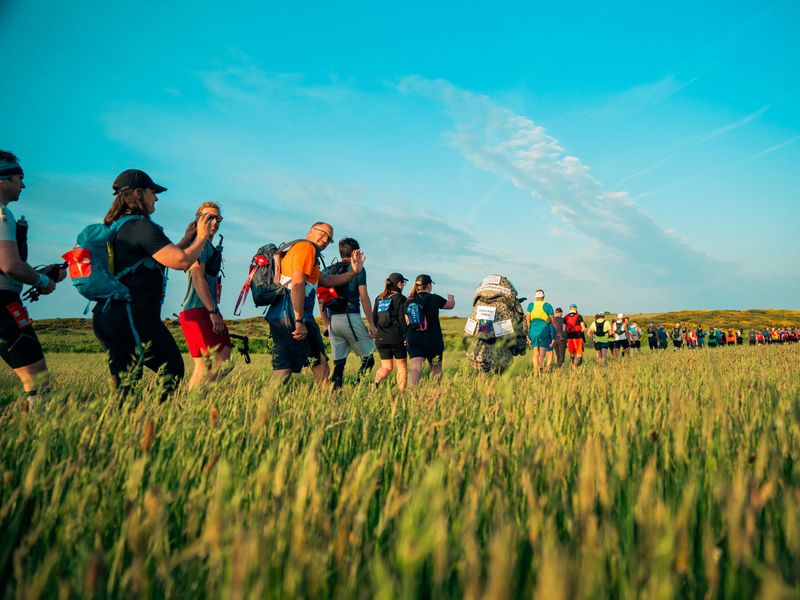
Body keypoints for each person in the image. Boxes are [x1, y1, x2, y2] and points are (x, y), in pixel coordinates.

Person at [92, 169, 214, 402]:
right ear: (138, 193)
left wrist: (185, 241)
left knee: (124, 386)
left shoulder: (118, 227)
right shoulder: (141, 227)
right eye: (152, 192)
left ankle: (123, 427)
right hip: (134, 317)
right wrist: (201, 237)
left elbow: (151, 260)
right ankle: (155, 421)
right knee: (172, 369)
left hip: (110, 316)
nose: (156, 197)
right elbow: (181, 261)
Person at [0, 150, 66, 401]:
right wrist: (43, 281)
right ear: (2, 179)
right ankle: (37, 436)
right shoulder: (2, 215)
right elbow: (10, 266)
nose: (23, 184)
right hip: (3, 303)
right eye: (19, 178)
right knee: (36, 378)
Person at [265, 222, 365, 384]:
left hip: (279, 314)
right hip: (294, 315)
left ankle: (265, 407)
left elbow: (326, 280)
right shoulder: (307, 248)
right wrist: (299, 321)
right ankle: (323, 406)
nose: (325, 239)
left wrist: (354, 272)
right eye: (323, 234)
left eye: (329, 238)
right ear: (311, 231)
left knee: (286, 369)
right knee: (319, 367)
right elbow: (297, 283)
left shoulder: (300, 250)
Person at [178, 202, 232, 391]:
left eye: (218, 218)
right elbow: (197, 276)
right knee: (203, 365)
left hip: (207, 309)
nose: (215, 222)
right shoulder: (198, 245)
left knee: (225, 356)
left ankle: (200, 400)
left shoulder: (209, 246)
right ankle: (191, 404)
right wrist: (213, 310)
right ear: (198, 219)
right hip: (196, 309)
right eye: (209, 217)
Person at [321, 238, 377, 389]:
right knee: (368, 359)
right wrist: (371, 324)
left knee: (339, 362)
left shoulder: (327, 271)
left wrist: (326, 323)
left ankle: (335, 393)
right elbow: (364, 297)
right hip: (350, 316)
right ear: (355, 252)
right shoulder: (357, 270)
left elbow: (321, 298)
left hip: (333, 320)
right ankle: (357, 389)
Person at [405, 274, 455, 387]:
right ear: (428, 285)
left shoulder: (409, 301)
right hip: (433, 339)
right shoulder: (434, 298)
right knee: (436, 369)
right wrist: (451, 298)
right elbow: (450, 305)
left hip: (414, 339)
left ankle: (410, 393)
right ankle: (435, 395)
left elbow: (406, 320)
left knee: (416, 368)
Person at [373, 273, 408, 391]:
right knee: (402, 366)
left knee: (386, 367)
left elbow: (374, 319)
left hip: (380, 338)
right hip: (396, 337)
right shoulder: (400, 298)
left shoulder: (379, 298)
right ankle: (402, 393)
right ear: (399, 284)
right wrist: (405, 335)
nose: (403, 285)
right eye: (403, 283)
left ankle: (376, 383)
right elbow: (402, 319)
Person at [525, 289, 556, 373]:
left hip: (533, 329)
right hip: (544, 328)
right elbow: (553, 320)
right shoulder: (547, 305)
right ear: (543, 297)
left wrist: (528, 330)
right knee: (542, 351)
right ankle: (540, 368)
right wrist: (556, 331)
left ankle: (535, 370)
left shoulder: (531, 305)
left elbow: (527, 319)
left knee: (535, 351)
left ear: (535, 297)